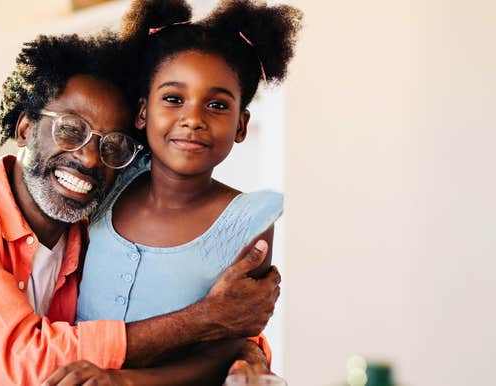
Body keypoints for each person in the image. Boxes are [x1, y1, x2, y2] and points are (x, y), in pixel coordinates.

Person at [0, 32, 282, 386]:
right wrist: (204, 320)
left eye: (111, 145)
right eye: (69, 130)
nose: (88, 159)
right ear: (25, 128)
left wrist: (245, 347)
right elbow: (31, 364)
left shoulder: (86, 229)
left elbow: (192, 306)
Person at [42, 0, 302, 384]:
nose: (193, 119)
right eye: (174, 99)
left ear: (241, 125)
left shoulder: (249, 220)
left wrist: (124, 381)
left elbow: (228, 348)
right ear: (143, 112)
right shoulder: (114, 181)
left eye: (216, 105)